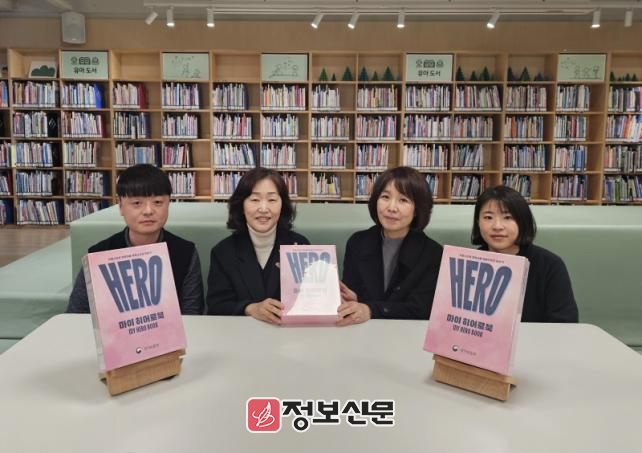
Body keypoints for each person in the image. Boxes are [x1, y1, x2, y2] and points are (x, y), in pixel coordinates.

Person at [66, 164, 204, 315]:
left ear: (168, 204)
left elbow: (192, 314)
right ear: (120, 207)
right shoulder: (99, 254)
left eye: (158, 202)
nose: (148, 211)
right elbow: (77, 312)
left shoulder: (185, 252)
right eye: (137, 203)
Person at [340, 166, 443, 325]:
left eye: (403, 200)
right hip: (361, 332)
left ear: (417, 209)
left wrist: (370, 309)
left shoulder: (433, 253)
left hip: (407, 334)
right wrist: (353, 300)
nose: (391, 208)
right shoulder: (357, 242)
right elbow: (353, 299)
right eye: (385, 197)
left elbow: (421, 309)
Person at [206, 167, 309, 324]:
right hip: (241, 335)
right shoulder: (223, 252)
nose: (263, 209)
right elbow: (216, 306)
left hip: (287, 335)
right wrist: (249, 308)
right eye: (254, 200)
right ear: (241, 205)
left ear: (282, 205)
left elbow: (310, 303)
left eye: (272, 200)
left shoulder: (300, 246)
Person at [471, 185, 579, 322]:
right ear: (478, 222)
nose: (497, 226)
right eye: (488, 217)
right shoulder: (469, 263)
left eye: (507, 217)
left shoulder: (550, 265)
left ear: (522, 222)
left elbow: (565, 323)